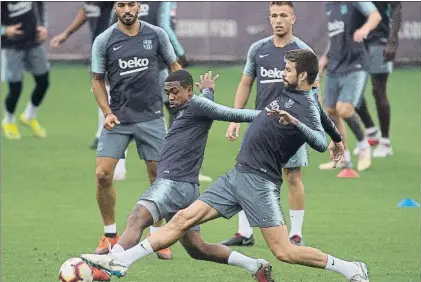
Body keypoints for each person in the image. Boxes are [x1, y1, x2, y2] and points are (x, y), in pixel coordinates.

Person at [81, 49, 369, 282]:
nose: (283, 73)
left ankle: (350, 268)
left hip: (260, 183)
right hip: (236, 175)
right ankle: (121, 261)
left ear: (303, 75)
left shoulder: (304, 107)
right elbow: (326, 122)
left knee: (284, 252)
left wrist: (299, 126)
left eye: (288, 70)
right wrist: (339, 140)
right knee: (182, 220)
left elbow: (318, 141)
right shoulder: (302, 95)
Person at [83, 69, 275, 281]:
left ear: (189, 90)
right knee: (198, 249)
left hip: (171, 184)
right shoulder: (195, 104)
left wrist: (267, 114)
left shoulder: (196, 105)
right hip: (187, 188)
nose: (171, 97)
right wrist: (209, 90)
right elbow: (206, 104)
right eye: (167, 92)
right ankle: (255, 265)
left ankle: (111, 264)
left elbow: (231, 113)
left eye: (175, 92)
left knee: (137, 218)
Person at [90, 0, 181, 265]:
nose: (127, 9)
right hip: (118, 118)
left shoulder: (156, 34)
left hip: (151, 117)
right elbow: (96, 79)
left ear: (139, 6)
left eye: (132, 4)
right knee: (103, 174)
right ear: (115, 8)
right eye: (121, 5)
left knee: (158, 177)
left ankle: (157, 236)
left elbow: (174, 67)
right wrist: (107, 112)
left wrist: (181, 95)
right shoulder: (104, 40)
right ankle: (109, 235)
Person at [223, 1, 318, 247]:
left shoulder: (304, 53)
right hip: (259, 125)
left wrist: (309, 125)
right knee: (247, 174)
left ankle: (295, 233)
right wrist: (236, 117)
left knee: (293, 176)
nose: (278, 20)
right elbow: (246, 83)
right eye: (273, 15)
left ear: (293, 18)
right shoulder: (258, 49)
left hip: (290, 127)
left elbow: (314, 92)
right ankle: (244, 232)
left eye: (283, 15)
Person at [49, 2, 129, 181]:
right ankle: (103, 137)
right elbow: (85, 11)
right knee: (105, 98)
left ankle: (120, 162)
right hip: (101, 54)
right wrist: (65, 34)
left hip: (119, 56)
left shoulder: (118, 6)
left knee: (118, 106)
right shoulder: (93, 3)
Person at [318, 2, 382, 175]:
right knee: (330, 111)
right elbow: (336, 37)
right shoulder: (329, 6)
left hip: (356, 64)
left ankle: (364, 146)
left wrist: (365, 29)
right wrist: (325, 57)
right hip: (335, 66)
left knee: (344, 109)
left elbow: (376, 16)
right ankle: (342, 158)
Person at [354, 2, 402, 158]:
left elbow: (396, 7)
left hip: (379, 40)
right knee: (352, 91)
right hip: (357, 40)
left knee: (378, 90)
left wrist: (393, 40)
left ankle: (385, 143)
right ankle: (371, 131)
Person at [1, 1, 50, 140]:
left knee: (43, 81)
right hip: (10, 46)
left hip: (33, 41)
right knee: (15, 87)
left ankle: (29, 116)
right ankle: (8, 121)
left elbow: (40, 6)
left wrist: (42, 26)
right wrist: (4, 30)